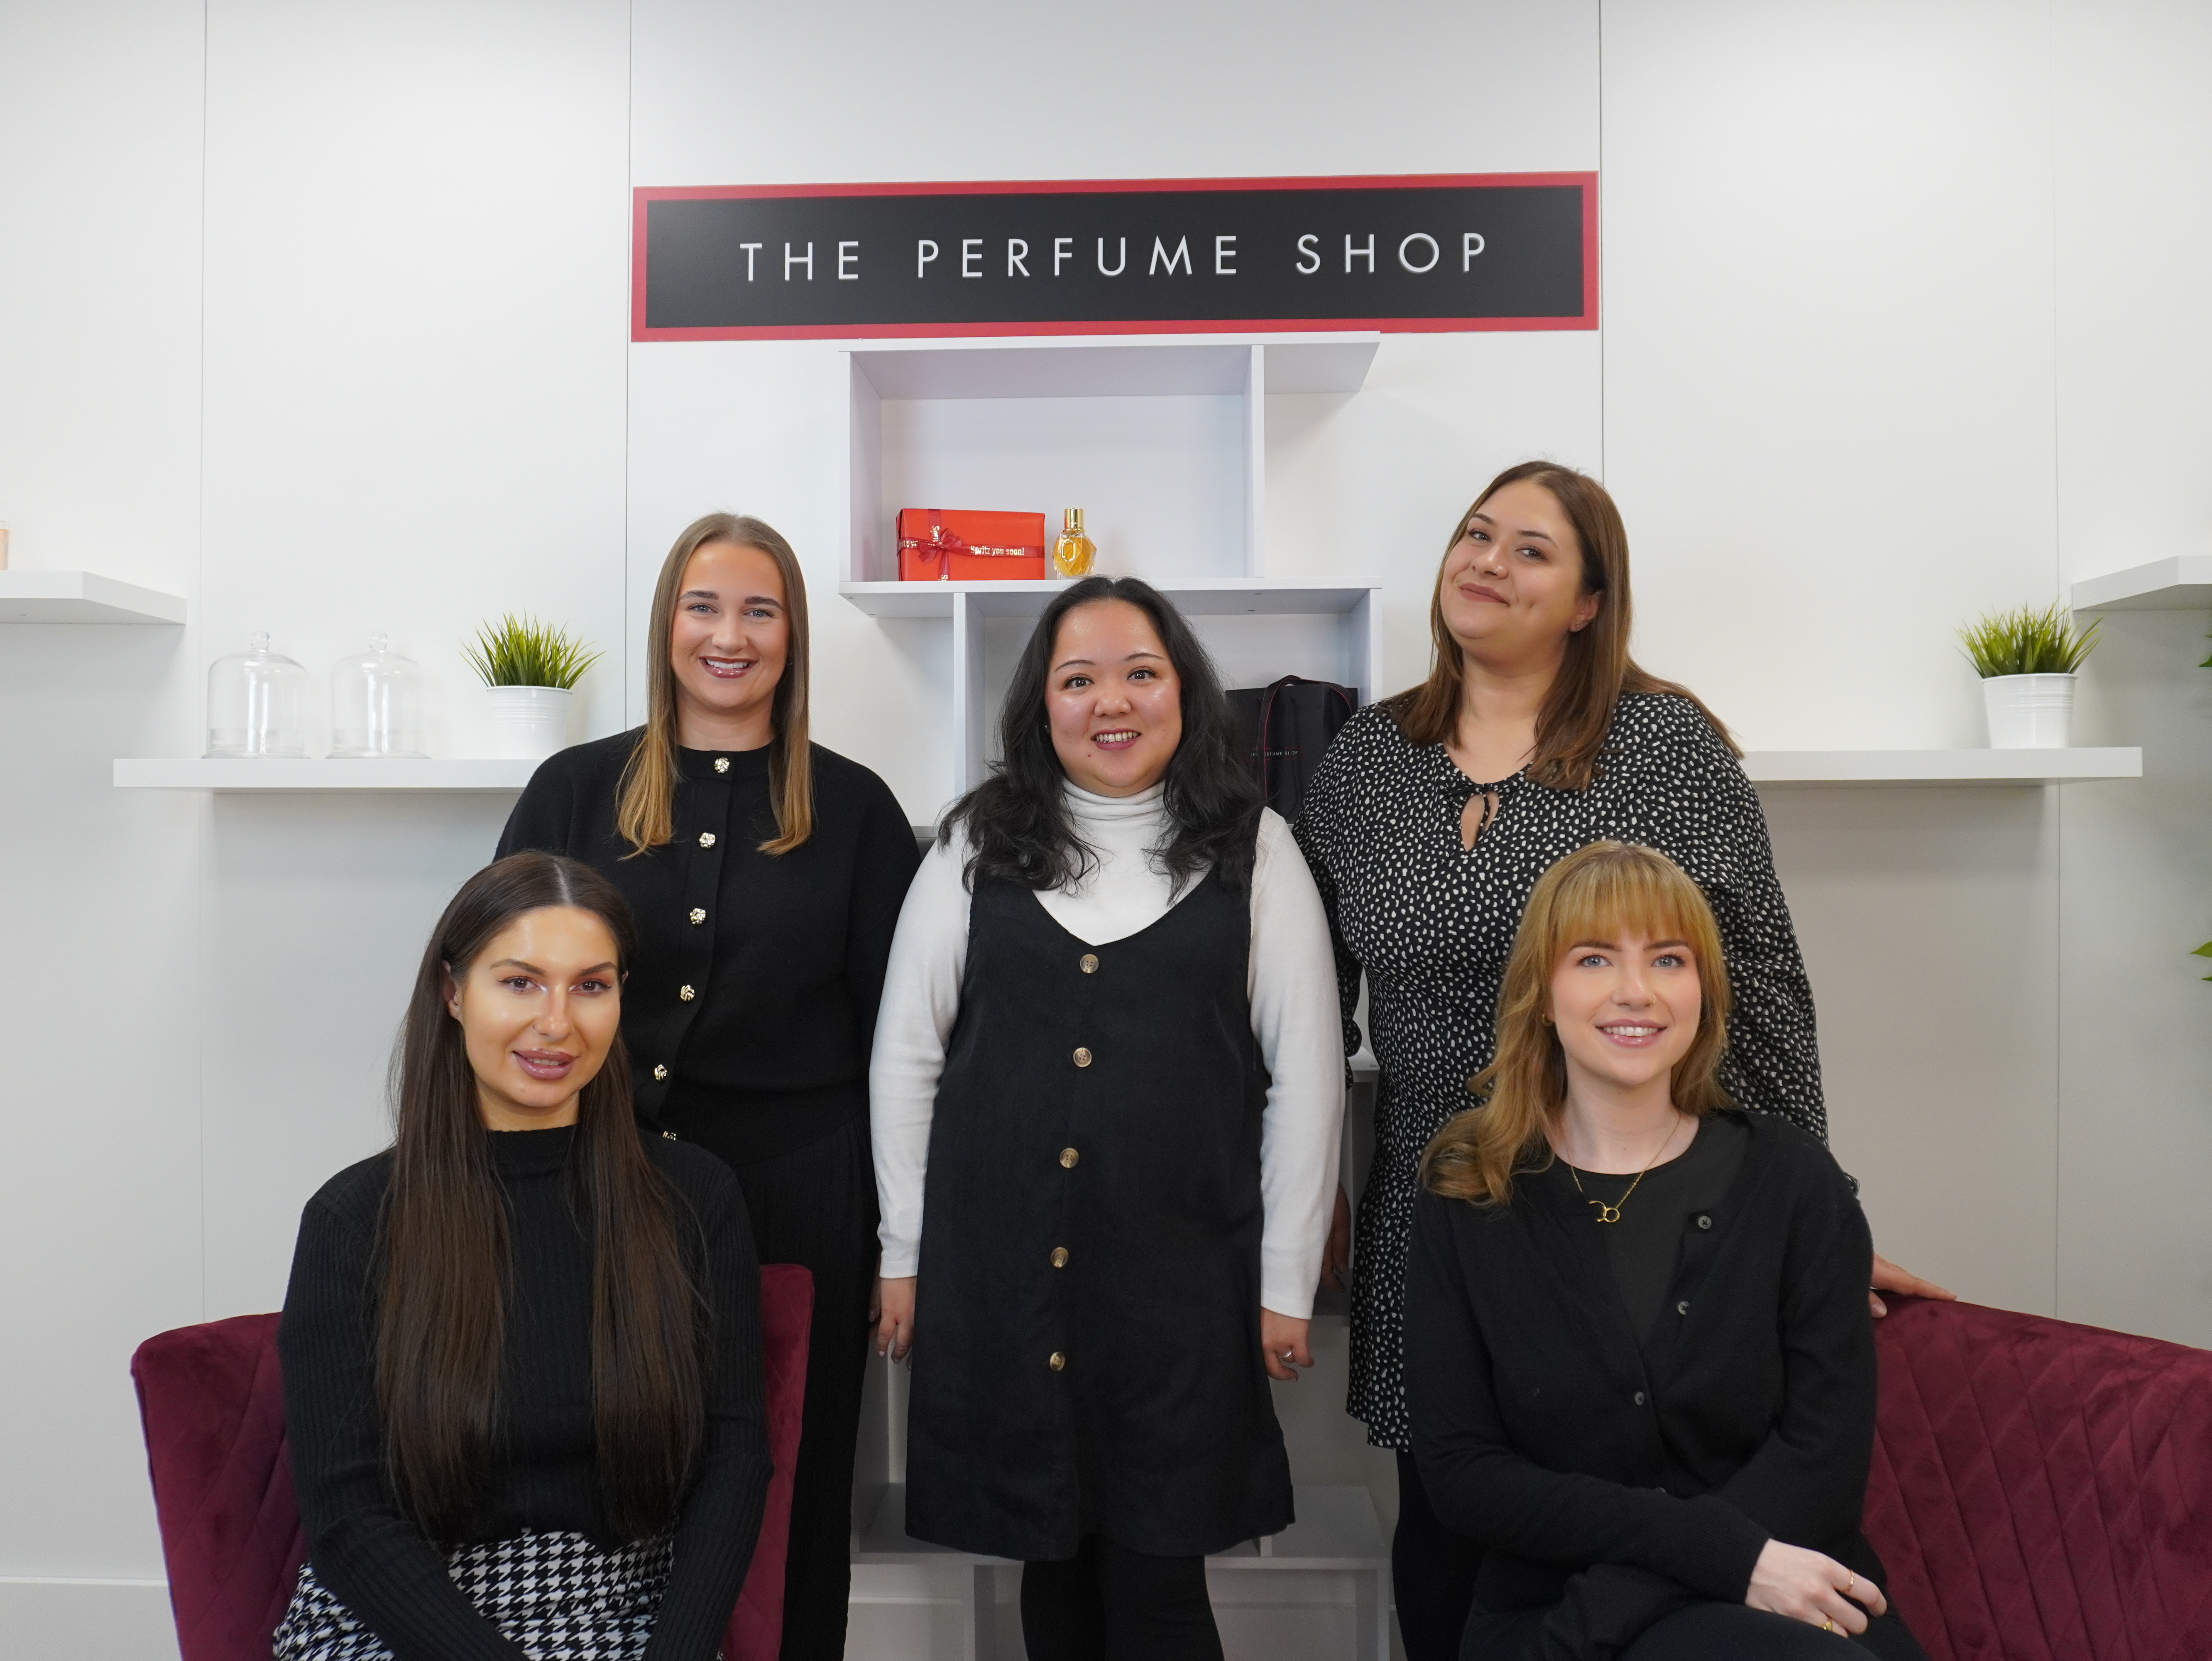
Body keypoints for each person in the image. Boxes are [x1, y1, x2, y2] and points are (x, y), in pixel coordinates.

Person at [1292, 461, 1952, 1660]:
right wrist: (1312, 1195)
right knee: (1454, 1513)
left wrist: (1817, 1217)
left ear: (1589, 602)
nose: (1488, 563)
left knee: (1658, 1489)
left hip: (1635, 1191)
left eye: (1531, 550)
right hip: (1449, 1196)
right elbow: (1315, 1007)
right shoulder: (1366, 760)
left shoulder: (1662, 745)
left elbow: (1759, 986)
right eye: (1477, 534)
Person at [869, 577, 1344, 1661]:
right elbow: (906, 1056)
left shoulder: (1258, 847)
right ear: (1043, 704)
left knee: (1158, 1585)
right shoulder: (975, 841)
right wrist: (904, 1253)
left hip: (1184, 1287)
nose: (1111, 702)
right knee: (1055, 1571)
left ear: (1185, 691)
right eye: (1078, 679)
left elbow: (1309, 1074)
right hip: (1006, 1278)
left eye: (1141, 672)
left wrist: (1284, 1280)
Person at [497, 513, 919, 1659]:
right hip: (594, 1190)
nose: (729, 636)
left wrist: (903, 1244)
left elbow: (908, 1047)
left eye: (759, 611)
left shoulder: (858, 810)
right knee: (599, 1472)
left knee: (794, 1482)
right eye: (704, 606)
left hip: (802, 1200)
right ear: (666, 624)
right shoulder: (573, 790)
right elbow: (501, 993)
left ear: (792, 635)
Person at [1405, 841, 1928, 1661]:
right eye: (1594, 958)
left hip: (1774, 1584)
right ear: (1542, 995)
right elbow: (1465, 1475)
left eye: (1669, 959)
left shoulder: (1794, 1179)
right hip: (1548, 1607)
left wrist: (1627, 1600)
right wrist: (1716, 1555)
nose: (1636, 990)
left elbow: (1824, 1459)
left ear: (1703, 991)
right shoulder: (1468, 1190)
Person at [274, 851, 769, 1661]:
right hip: (406, 1622)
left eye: (591, 986)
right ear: (453, 992)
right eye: (520, 982)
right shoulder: (352, 1218)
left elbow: (734, 1459)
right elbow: (348, 1516)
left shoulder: (694, 1195)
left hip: (631, 1613)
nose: (557, 1022)